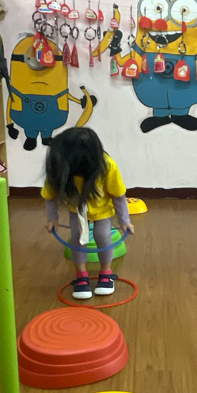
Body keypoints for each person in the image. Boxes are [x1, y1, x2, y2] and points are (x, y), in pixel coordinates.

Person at [43, 127, 133, 299]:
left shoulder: (107, 166)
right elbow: (50, 195)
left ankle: (106, 273)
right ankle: (81, 275)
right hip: (77, 210)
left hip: (102, 209)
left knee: (102, 235)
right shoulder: (61, 167)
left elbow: (118, 195)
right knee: (77, 237)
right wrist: (52, 218)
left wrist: (124, 220)